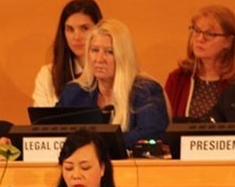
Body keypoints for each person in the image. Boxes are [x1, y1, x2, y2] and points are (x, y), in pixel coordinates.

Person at [56, 19, 169, 149]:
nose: (99, 59)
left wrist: (98, 145)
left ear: (123, 56)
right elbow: (54, 133)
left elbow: (152, 135)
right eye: (94, 50)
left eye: (109, 52)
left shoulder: (146, 91)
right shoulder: (73, 93)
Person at [164, 5, 235, 121]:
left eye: (210, 34)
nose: (200, 39)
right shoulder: (178, 78)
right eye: (197, 31)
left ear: (228, 42)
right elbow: (165, 123)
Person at [32, 0, 103, 107]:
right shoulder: (48, 75)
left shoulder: (109, 71)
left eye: (84, 28)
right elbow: (41, 122)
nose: (76, 37)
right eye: (70, 29)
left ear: (98, 29)